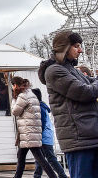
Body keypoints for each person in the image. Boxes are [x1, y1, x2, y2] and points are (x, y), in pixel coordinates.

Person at [39, 31, 98, 178]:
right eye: (76, 46)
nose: (81, 50)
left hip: (89, 136)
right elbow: (86, 92)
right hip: (78, 140)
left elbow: (92, 83)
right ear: (64, 47)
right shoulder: (54, 71)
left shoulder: (70, 69)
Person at [11, 76, 57, 178]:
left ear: (15, 85)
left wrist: (13, 99)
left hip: (28, 133)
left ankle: (53, 176)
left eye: (13, 86)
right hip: (31, 131)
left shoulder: (22, 96)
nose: (13, 88)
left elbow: (15, 111)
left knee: (40, 158)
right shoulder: (30, 94)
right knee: (21, 156)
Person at [31, 88, 68, 178]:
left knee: (50, 159)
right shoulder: (41, 106)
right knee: (39, 159)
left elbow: (42, 123)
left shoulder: (40, 107)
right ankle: (37, 176)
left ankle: (62, 176)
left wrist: (38, 134)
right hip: (45, 137)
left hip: (44, 137)